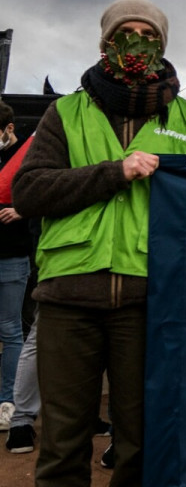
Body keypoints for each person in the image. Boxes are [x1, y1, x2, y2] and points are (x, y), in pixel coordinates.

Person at [12, 0, 186, 486]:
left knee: (141, 445)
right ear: (106, 42)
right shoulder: (64, 113)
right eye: (128, 33)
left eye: (151, 37)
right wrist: (114, 172)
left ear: (163, 46)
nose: (139, 43)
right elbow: (28, 191)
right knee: (63, 446)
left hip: (148, 303)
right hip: (68, 300)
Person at [0, 100, 31, 432]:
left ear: (9, 128)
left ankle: (7, 401)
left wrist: (23, 209)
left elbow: (45, 191)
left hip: (12, 256)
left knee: (10, 330)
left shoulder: (30, 154)